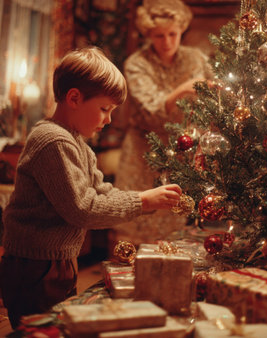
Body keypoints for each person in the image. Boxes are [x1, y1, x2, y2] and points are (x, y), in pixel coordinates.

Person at [0, 47, 182, 329]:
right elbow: (83, 209)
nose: (108, 120)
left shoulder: (77, 144)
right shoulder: (53, 141)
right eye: (104, 109)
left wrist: (146, 198)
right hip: (34, 266)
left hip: (58, 260)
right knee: (40, 331)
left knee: (63, 325)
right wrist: (142, 202)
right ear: (74, 98)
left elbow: (101, 192)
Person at [112, 0, 213, 246]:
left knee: (173, 229)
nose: (167, 41)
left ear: (182, 31)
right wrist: (184, 89)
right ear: (148, 34)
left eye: (173, 34)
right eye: (159, 35)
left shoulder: (196, 58)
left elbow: (213, 96)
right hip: (142, 153)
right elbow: (150, 111)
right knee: (133, 228)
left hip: (181, 152)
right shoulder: (136, 63)